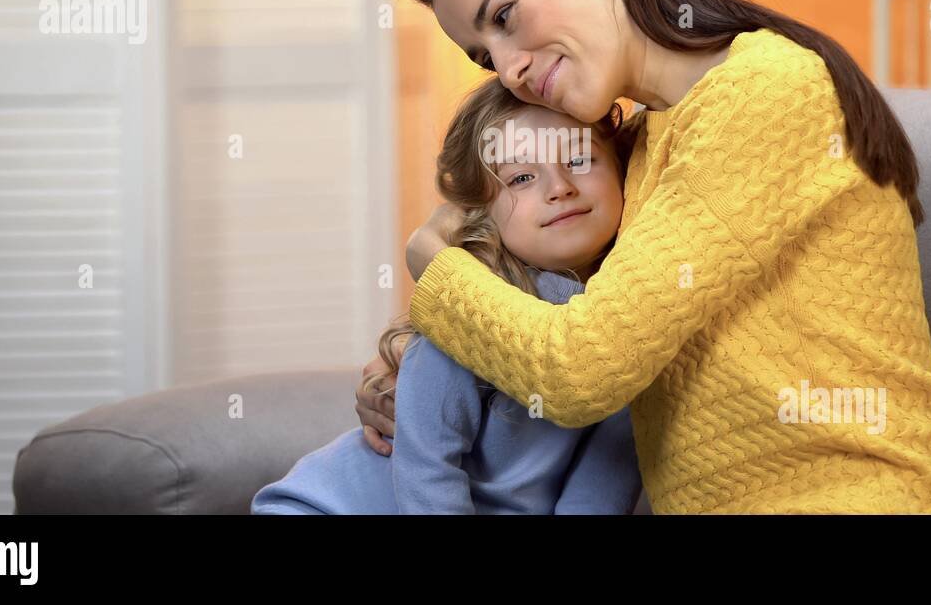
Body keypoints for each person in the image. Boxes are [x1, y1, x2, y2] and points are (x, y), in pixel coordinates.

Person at [355, 0, 931, 514]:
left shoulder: (765, 94)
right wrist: (416, 372)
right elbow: (514, 242)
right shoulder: (636, 148)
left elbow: (579, 368)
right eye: (483, 56)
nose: (510, 67)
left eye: (504, 15)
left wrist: (432, 265)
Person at [252, 78, 643, 514]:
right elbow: (428, 471)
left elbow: (604, 480)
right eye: (522, 177)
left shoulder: (633, 323)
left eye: (578, 158)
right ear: (483, 213)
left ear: (623, 168)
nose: (559, 187)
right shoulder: (467, 307)